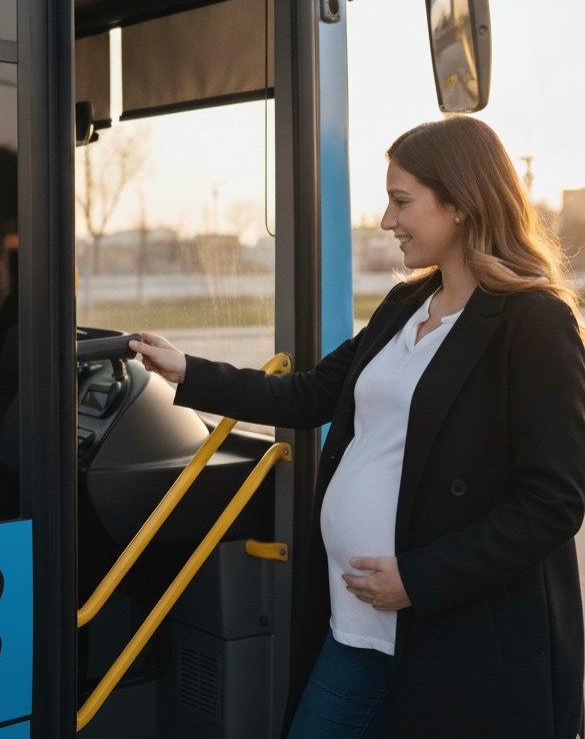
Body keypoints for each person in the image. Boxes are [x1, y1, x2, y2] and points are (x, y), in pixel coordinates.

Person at [130, 116, 585, 738]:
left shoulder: (533, 322)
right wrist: (188, 371)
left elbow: (552, 504)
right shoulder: (404, 306)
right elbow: (311, 392)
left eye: (402, 202)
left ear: (460, 204)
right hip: (358, 624)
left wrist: (418, 581)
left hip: (453, 636)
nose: (385, 220)